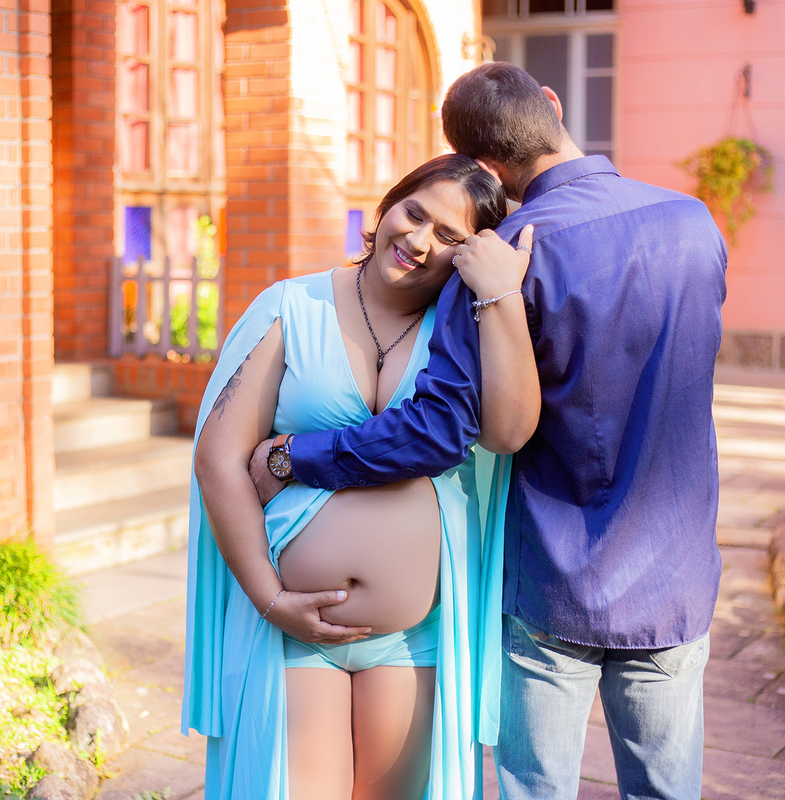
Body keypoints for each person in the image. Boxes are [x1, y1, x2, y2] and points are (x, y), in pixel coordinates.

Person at [251, 62, 728, 800]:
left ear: (484, 168)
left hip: (553, 579)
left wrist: (296, 455)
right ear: (552, 104)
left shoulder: (501, 257)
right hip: (676, 574)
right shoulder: (693, 224)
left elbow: (439, 430)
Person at [182, 153, 538, 800]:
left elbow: (508, 432)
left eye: (451, 237)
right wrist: (271, 598)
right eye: (414, 213)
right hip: (291, 626)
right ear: (386, 207)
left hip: (413, 637)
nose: (420, 241)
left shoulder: (460, 337)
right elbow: (218, 460)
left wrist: (502, 291)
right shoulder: (293, 306)